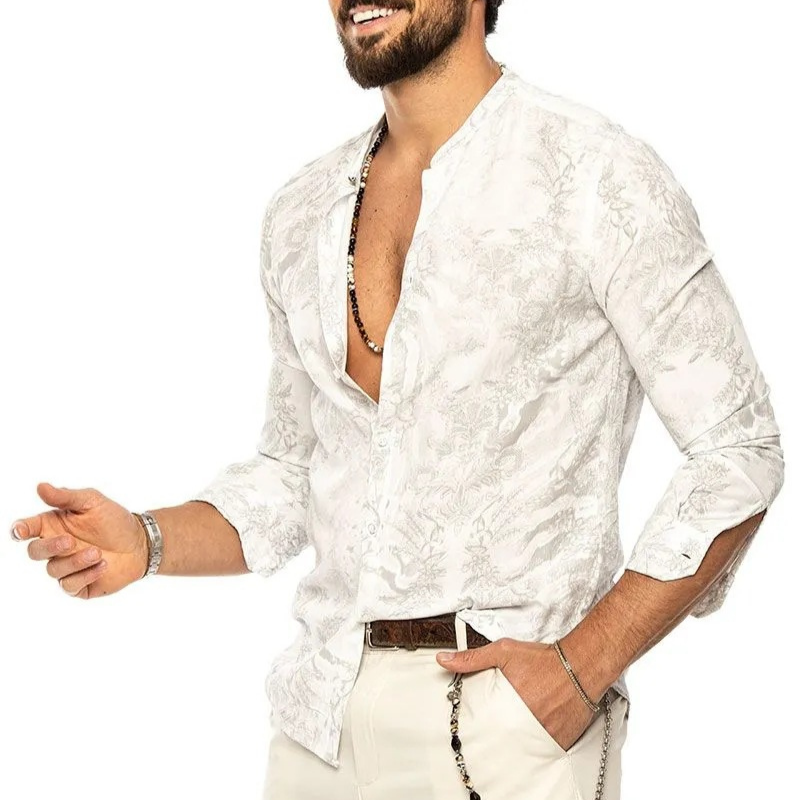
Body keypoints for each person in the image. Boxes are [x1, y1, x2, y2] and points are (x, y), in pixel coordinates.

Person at [9, 1, 785, 798]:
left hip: (507, 728)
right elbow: (296, 473)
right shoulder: (303, 211)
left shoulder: (595, 175)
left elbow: (738, 450)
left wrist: (583, 667)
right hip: (319, 725)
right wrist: (145, 541)